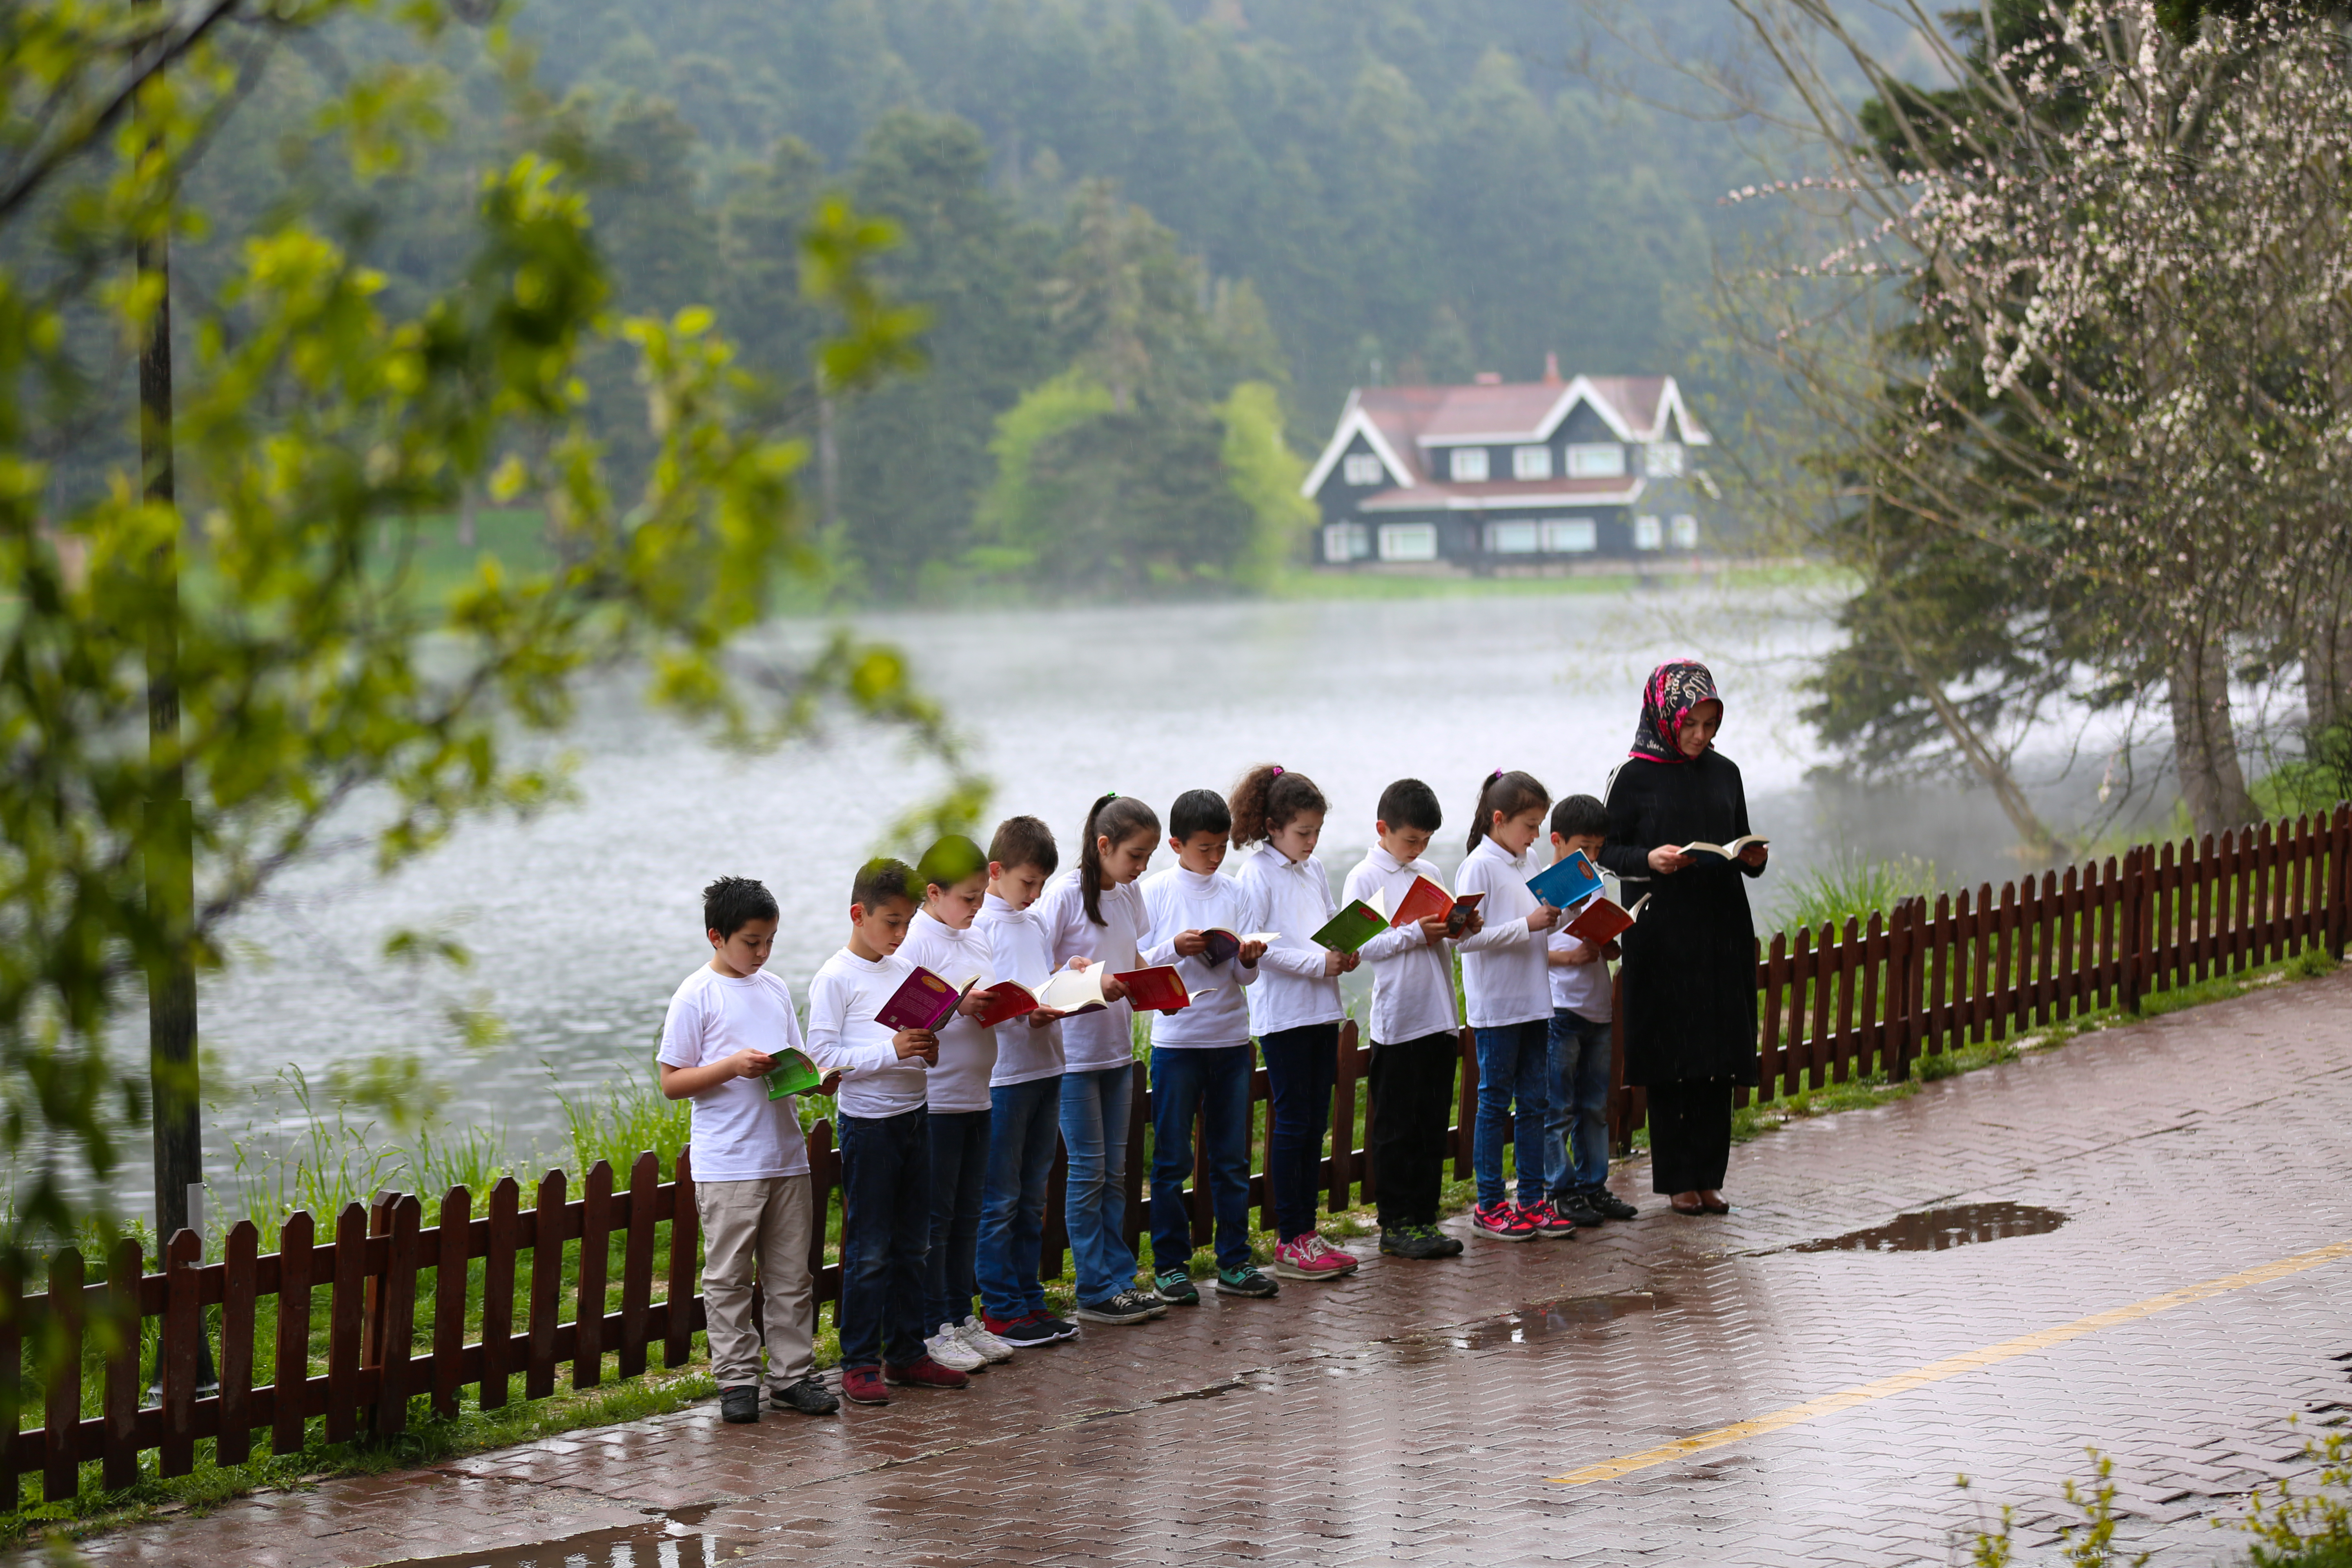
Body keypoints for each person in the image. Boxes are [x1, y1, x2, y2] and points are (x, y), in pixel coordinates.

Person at [655, 876, 840, 1423]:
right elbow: (671, 1082)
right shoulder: (697, 995)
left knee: (792, 1276)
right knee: (729, 1278)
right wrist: (731, 1068)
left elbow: (796, 1063)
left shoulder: (775, 988)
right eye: (751, 942)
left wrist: (818, 1080)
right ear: (717, 936)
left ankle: (792, 1377)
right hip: (728, 1163)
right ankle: (737, 1381)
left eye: (770, 942)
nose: (761, 953)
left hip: (786, 1155)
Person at [1596, 661, 1769, 1216]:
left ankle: (1710, 1177)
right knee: (1674, 1056)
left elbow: (1738, 836)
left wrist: (1752, 859)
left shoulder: (1726, 772)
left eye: (1711, 725)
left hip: (1721, 929)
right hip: (1662, 932)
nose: (1701, 736)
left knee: (1718, 1054)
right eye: (1692, 724)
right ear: (1665, 714)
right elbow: (1604, 853)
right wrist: (1648, 859)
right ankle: (1677, 1181)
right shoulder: (1632, 775)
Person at [805, 858, 969, 1406]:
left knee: (911, 1245)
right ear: (858, 914)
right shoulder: (835, 978)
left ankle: (906, 1353)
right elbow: (823, 1060)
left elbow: (913, 1048)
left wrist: (926, 1049)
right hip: (869, 1127)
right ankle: (859, 1362)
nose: (902, 935)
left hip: (915, 1117)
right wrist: (890, 1050)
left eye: (907, 923)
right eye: (892, 923)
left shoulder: (907, 974)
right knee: (870, 1249)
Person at [1034, 793, 1170, 1327]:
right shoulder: (1064, 897)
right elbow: (1040, 977)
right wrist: (1090, 979)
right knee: (1089, 1173)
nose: (1140, 868)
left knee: (1116, 1172)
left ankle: (1118, 1279)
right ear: (1104, 845)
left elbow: (1133, 958)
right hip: (1073, 1057)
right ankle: (1093, 1287)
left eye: (1147, 858)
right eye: (1135, 856)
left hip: (1118, 1051)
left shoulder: (1129, 896)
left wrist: (1155, 985)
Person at [1139, 788, 1279, 1303]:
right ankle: (1170, 1266)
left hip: (1230, 1038)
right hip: (1177, 1042)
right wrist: (1174, 948)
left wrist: (1249, 955)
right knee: (1172, 1160)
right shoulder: (1155, 892)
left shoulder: (1235, 891)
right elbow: (1140, 966)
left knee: (1230, 1158)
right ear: (1176, 844)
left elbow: (1244, 979)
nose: (1216, 857)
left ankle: (1235, 1261)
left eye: (1222, 847)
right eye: (1205, 848)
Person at [1229, 764, 1360, 1283]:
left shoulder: (1315, 869)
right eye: (1303, 832)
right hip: (1283, 1016)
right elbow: (1257, 946)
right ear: (1273, 827)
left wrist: (1344, 952)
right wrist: (1316, 963)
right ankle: (1289, 1238)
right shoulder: (1255, 874)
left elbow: (1328, 927)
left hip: (1322, 1008)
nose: (1311, 841)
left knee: (1316, 1124)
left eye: (1317, 832)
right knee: (1293, 1123)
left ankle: (1307, 1232)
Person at [897, 835, 1016, 1376]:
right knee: (938, 1220)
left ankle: (962, 1317)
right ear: (933, 893)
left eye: (979, 897)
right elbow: (906, 1017)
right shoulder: (916, 941)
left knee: (969, 1212)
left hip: (978, 1095)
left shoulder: (978, 938)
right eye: (967, 899)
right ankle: (932, 1326)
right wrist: (958, 1003)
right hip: (938, 1101)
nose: (976, 908)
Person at [1343, 780, 1475, 1261]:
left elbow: (1440, 929)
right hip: (1399, 1019)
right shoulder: (1364, 877)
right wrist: (1412, 933)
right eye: (1410, 841)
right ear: (1383, 829)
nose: (1417, 850)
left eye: (1424, 841)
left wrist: (1459, 925)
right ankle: (1395, 1223)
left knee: (1432, 1122)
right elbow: (1358, 946)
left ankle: (1425, 1217)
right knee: (1397, 1126)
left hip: (1439, 1014)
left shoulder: (1430, 870)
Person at [972, 815, 1082, 1350]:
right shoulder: (981, 925)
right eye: (1027, 883)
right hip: (1005, 1076)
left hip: (1047, 1066)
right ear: (996, 871)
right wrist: (1027, 1012)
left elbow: (1039, 981)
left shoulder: (1033, 922)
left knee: (1033, 1194)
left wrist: (1068, 978)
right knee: (1001, 1198)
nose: (1035, 895)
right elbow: (986, 1002)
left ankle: (1029, 1298)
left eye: (1041, 885)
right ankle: (1001, 1310)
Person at [1453, 770, 1567, 1242]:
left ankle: (1534, 1200)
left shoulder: (1531, 858)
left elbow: (1541, 915)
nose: (1536, 834)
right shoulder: (1477, 866)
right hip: (1497, 1005)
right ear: (1499, 820)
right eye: (1529, 824)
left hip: (1535, 999)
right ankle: (1490, 1204)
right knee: (1495, 1104)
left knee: (1536, 1102)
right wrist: (1528, 924)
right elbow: (1463, 940)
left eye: (1540, 824)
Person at [1541, 796, 1639, 1229]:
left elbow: (1596, 941)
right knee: (1558, 1108)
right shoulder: (1544, 885)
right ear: (1557, 841)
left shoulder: (1595, 882)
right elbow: (1528, 950)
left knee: (1595, 1105)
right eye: (1585, 847)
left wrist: (1610, 942)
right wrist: (1572, 959)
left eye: (1599, 849)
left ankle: (1593, 1185)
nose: (1594, 857)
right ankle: (1560, 1191)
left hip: (1598, 1007)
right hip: (1560, 1006)